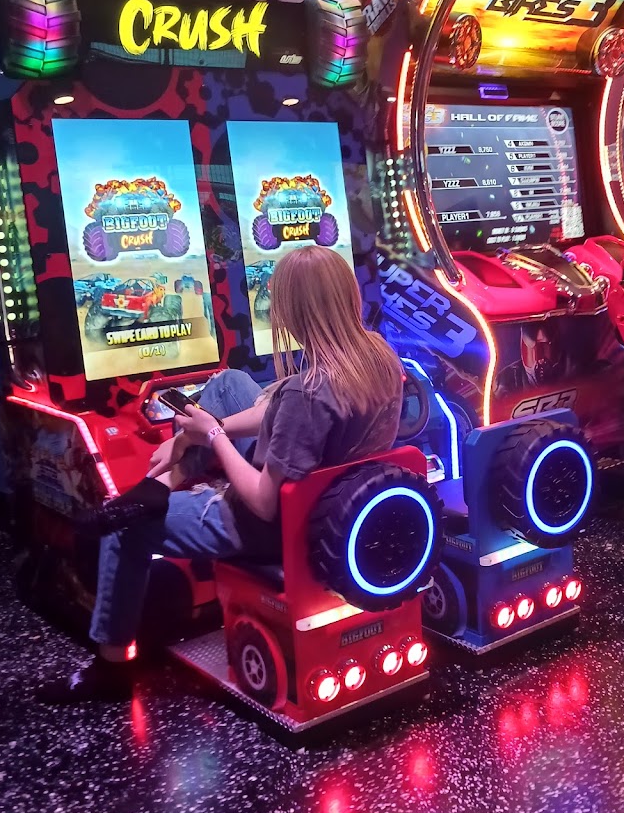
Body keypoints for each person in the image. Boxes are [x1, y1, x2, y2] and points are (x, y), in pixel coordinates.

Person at [39, 246, 405, 703]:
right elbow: (280, 412)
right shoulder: (377, 357)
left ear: (293, 310)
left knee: (125, 529)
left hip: (275, 525)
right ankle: (162, 484)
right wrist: (204, 433)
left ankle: (111, 666)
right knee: (230, 384)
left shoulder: (306, 394)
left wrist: (212, 435)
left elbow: (264, 503)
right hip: (335, 509)